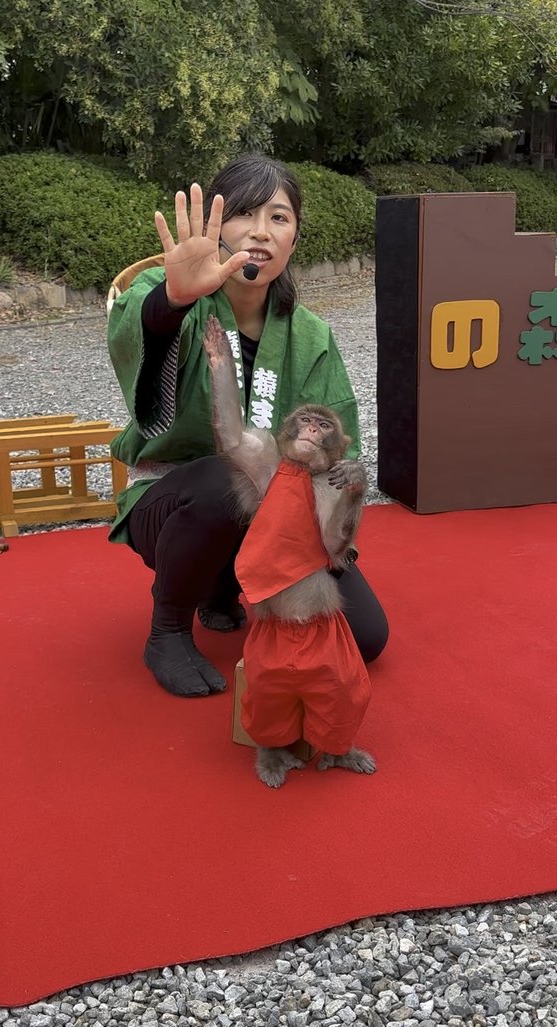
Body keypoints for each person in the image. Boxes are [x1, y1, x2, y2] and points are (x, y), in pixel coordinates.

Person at [107, 154, 388, 698]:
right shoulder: (176, 295)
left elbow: (334, 447)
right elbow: (133, 332)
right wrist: (173, 298)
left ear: (295, 238)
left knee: (366, 636)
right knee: (222, 482)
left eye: (279, 218)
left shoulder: (309, 335)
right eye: (243, 214)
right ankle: (167, 629)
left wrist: (332, 528)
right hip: (173, 499)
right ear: (217, 229)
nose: (261, 232)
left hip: (275, 507)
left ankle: (224, 585)